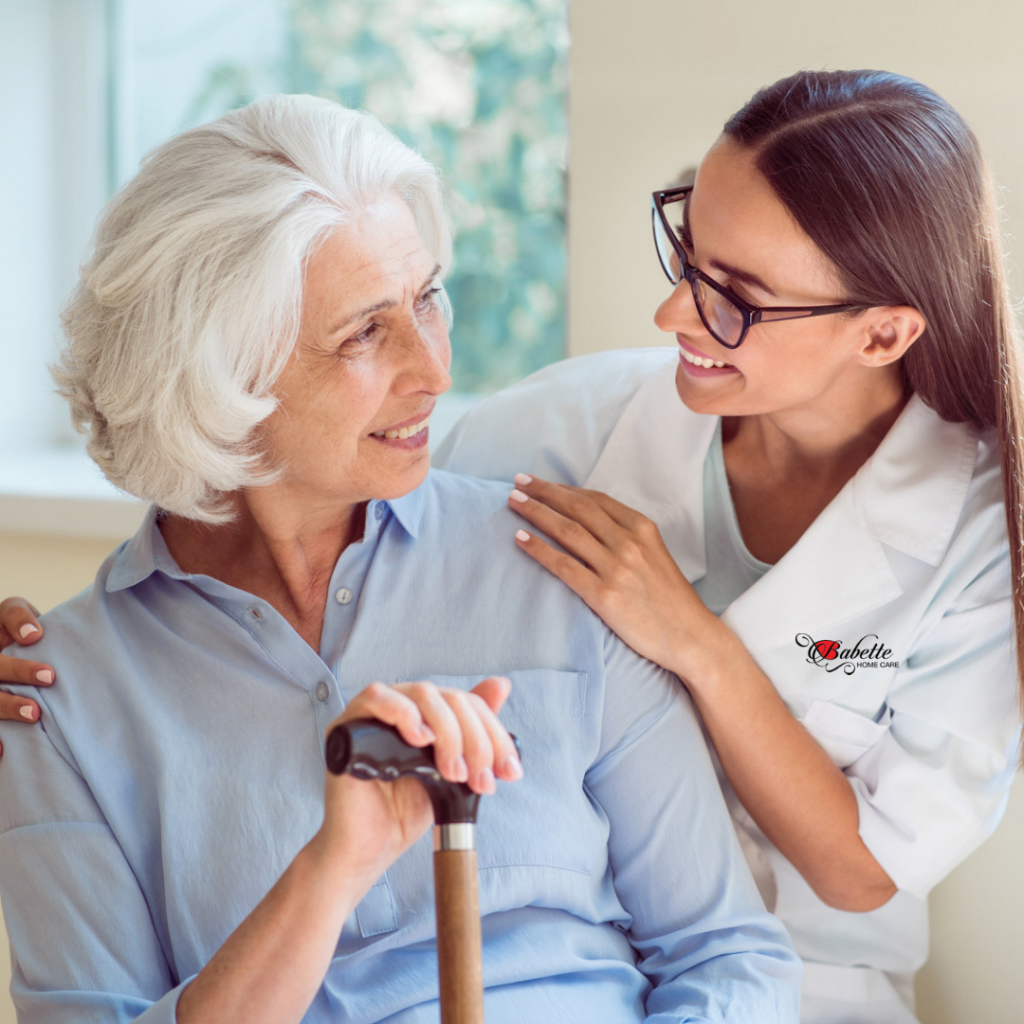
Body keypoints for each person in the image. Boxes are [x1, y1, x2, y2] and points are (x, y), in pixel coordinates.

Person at [0, 95, 799, 1023]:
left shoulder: (564, 569)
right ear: (219, 379)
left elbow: (726, 954)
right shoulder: (57, 700)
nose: (434, 369)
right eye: (365, 333)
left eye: (428, 297)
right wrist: (331, 870)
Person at [429, 71, 1023, 1024]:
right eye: (688, 250)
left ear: (883, 333)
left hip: (810, 978)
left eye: (737, 295)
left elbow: (864, 871)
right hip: (550, 962)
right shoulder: (546, 432)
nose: (673, 316)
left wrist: (694, 643)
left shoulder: (982, 535)